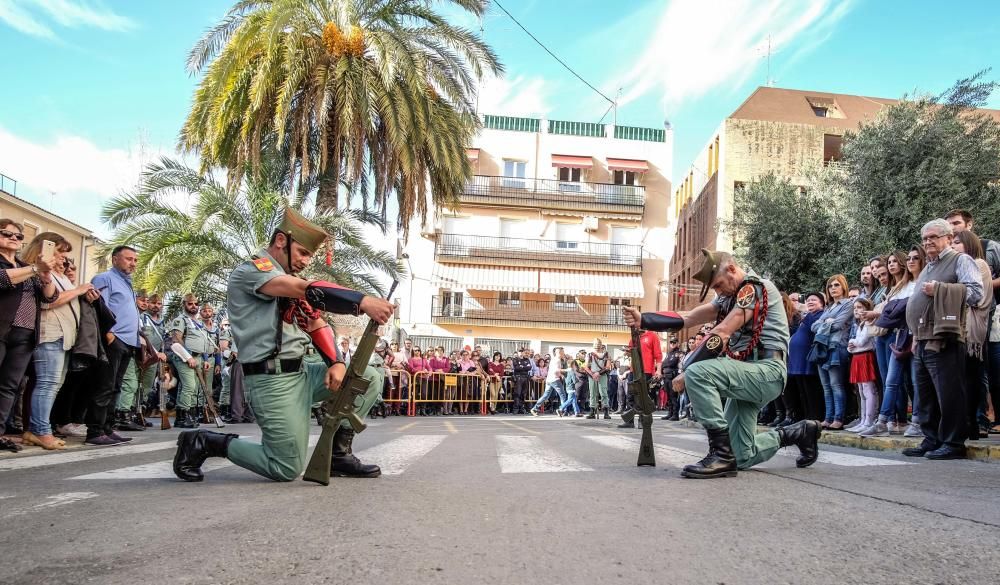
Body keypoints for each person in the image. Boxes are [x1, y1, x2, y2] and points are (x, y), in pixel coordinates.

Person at [172, 207, 393, 482]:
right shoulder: (254, 271)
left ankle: (338, 454)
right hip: (271, 380)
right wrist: (362, 301)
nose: (305, 261)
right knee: (285, 468)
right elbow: (304, 289)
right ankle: (205, 442)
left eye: (309, 256)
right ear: (280, 241)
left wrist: (336, 362)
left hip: (303, 372)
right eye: (302, 252)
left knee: (368, 376)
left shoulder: (289, 279)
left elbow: (315, 323)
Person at [625, 249, 820, 479]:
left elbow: (723, 331)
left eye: (718, 285)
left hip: (767, 371)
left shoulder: (753, 288)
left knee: (698, 373)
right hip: (746, 372)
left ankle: (720, 454)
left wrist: (687, 371)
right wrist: (644, 319)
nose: (718, 291)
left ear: (731, 269)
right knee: (743, 456)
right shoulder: (731, 295)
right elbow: (690, 317)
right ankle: (799, 432)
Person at [902, 219, 983, 460]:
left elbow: (976, 292)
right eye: (925, 238)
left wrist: (939, 289)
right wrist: (915, 336)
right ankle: (932, 438)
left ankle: (953, 442)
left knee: (948, 393)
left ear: (948, 238)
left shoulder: (960, 260)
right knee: (925, 394)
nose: (928, 242)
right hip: (922, 338)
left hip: (946, 337)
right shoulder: (927, 266)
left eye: (934, 237)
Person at [24, 234, 98, 450]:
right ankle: (40, 430)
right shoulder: (38, 272)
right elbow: (48, 303)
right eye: (59, 253)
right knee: (47, 384)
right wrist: (78, 290)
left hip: (65, 336)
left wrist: (85, 295)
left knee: (54, 385)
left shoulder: (61, 276)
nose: (63, 259)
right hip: (50, 334)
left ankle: (38, 427)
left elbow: (68, 298)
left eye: (65, 254)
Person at [86, 245, 141, 446]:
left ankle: (108, 429)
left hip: (128, 342)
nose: (133, 263)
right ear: (115, 259)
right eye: (128, 259)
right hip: (114, 339)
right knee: (104, 386)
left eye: (135, 260)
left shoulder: (127, 284)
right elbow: (99, 307)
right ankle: (94, 431)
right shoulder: (104, 278)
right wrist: (108, 333)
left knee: (115, 387)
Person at [951, 230, 992, 441]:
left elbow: (976, 297)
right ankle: (967, 422)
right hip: (962, 324)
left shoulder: (979, 264)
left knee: (972, 376)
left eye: (957, 242)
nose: (953, 246)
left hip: (973, 326)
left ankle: (973, 422)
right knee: (964, 377)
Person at [168, 293, 217, 428]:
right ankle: (183, 416)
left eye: (196, 304)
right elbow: (176, 339)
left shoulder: (198, 322)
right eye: (190, 304)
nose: (194, 306)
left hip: (198, 357)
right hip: (184, 357)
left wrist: (205, 359)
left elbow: (204, 341)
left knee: (190, 388)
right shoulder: (180, 320)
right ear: (184, 305)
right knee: (189, 386)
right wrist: (188, 357)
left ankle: (183, 416)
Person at [812, 274, 854, 430]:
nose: (833, 288)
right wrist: (826, 322)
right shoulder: (829, 307)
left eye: (836, 285)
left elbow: (837, 325)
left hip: (837, 347)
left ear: (843, 286)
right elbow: (813, 326)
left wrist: (824, 323)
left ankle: (838, 418)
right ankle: (828, 418)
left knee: (836, 384)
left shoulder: (848, 304)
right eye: (830, 286)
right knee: (826, 386)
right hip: (822, 347)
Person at [786, 292, 826, 422]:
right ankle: (806, 415)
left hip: (807, 359)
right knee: (802, 390)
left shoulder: (819, 315)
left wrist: (804, 311)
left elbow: (814, 329)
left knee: (811, 389)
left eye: (814, 300)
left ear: (822, 303)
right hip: (797, 360)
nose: (810, 302)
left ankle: (815, 416)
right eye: (808, 300)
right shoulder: (808, 315)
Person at [847, 298, 879, 434]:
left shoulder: (868, 323)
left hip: (866, 356)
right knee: (860, 390)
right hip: (857, 357)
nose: (856, 310)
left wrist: (852, 342)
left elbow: (861, 342)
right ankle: (863, 420)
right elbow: (851, 347)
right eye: (855, 308)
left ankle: (869, 421)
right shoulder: (858, 325)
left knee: (868, 389)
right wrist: (852, 344)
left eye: (860, 307)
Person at [531, 347, 567, 416]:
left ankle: (534, 409)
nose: (563, 353)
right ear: (558, 352)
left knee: (545, 396)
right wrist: (567, 370)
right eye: (562, 352)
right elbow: (556, 370)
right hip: (555, 380)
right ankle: (562, 410)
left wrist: (561, 374)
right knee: (563, 395)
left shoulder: (554, 360)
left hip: (549, 380)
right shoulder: (557, 360)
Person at [586, 340, 612, 419]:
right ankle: (592, 411)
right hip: (592, 376)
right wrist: (592, 374)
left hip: (602, 375)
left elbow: (607, 366)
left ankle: (606, 412)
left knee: (604, 393)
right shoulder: (590, 354)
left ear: (601, 345)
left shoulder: (606, 354)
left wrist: (598, 373)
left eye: (598, 344)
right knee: (592, 394)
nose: (597, 346)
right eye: (595, 344)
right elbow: (586, 366)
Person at [660, 339, 684, 420]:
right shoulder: (669, 353)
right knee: (669, 397)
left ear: (678, 343)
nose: (672, 344)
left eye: (674, 342)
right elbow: (664, 364)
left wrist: (667, 364)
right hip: (666, 376)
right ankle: (670, 413)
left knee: (673, 396)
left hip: (673, 377)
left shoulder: (679, 353)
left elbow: (673, 363)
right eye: (671, 342)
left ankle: (675, 414)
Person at [511, 347, 532, 414]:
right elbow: (516, 368)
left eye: (522, 352)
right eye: (519, 352)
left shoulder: (527, 359)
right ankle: (516, 408)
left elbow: (529, 367)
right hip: (518, 378)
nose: (521, 353)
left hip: (525, 378)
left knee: (523, 394)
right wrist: (523, 367)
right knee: (517, 393)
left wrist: (522, 366)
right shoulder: (515, 359)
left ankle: (521, 407)